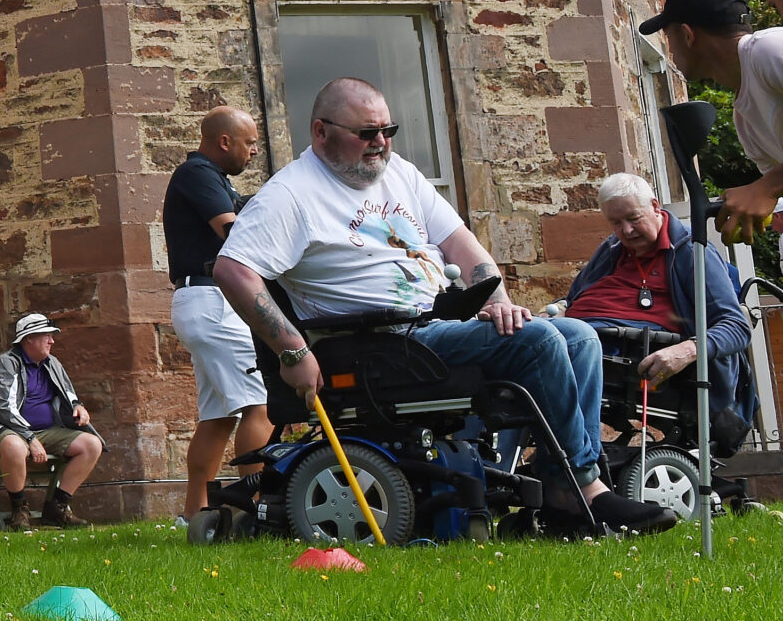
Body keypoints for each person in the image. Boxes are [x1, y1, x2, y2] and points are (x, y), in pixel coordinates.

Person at [212, 77, 678, 536]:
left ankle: (563, 488)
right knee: (539, 343)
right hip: (380, 344)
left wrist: (498, 303)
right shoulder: (291, 195)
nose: (380, 143)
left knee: (577, 335)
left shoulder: (400, 173)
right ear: (321, 131)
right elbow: (233, 269)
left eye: (387, 131)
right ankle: (587, 490)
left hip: (438, 327)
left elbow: (461, 244)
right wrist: (292, 350)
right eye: (366, 134)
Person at [563, 171, 750, 420]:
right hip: (575, 333)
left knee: (561, 349)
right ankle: (502, 458)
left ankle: (578, 456)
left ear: (654, 206)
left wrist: (685, 351)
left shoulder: (691, 251)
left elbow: (737, 327)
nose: (626, 231)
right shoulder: (613, 248)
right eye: (616, 223)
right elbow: (571, 299)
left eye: (633, 218)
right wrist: (553, 310)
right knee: (521, 338)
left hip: (606, 347)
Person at [164, 107, 272, 516]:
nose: (254, 151)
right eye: (249, 143)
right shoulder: (198, 174)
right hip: (213, 301)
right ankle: (257, 509)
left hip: (202, 302)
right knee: (259, 405)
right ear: (224, 141)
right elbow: (232, 232)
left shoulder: (215, 180)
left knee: (219, 416)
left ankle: (196, 513)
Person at [645, 0, 783, 239]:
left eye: (668, 37)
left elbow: (772, 185)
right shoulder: (745, 118)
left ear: (687, 34)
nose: (670, 49)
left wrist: (765, 188)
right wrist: (752, 203)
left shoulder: (769, 49)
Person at [0, 314, 102, 530]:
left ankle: (57, 508)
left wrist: (78, 406)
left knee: (92, 445)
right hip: (6, 430)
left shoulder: (51, 363)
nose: (52, 341)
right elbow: (2, 407)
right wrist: (30, 438)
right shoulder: (6, 363)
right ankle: (19, 509)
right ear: (29, 339)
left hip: (46, 431)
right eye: (46, 336)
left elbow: (68, 392)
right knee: (14, 446)